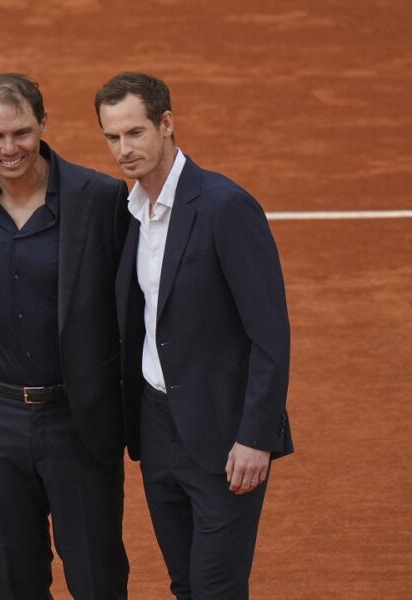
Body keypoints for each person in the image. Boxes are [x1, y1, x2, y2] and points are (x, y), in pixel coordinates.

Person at [96, 71, 292, 599]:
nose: (124, 149)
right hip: (157, 426)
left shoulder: (225, 207)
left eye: (135, 132)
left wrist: (256, 437)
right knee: (185, 584)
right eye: (112, 137)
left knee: (215, 589)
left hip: (224, 434)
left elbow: (270, 336)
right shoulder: (131, 212)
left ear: (166, 124)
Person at [0, 74, 130, 599]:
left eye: (21, 132)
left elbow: (134, 303)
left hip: (78, 419)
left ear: (44, 124)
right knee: (14, 580)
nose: (8, 148)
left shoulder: (101, 198)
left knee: (98, 579)